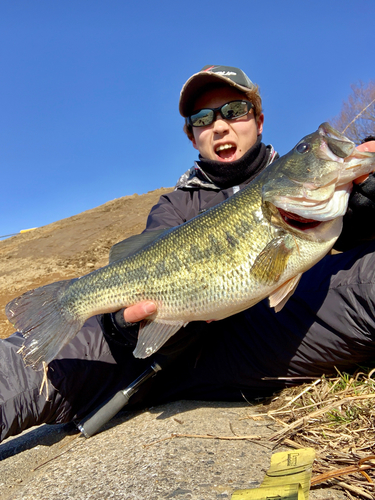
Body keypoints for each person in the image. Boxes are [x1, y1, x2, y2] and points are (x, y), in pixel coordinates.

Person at [1, 65, 375, 443]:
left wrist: (366, 214)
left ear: (258, 120)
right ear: (192, 135)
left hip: (274, 333)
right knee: (18, 368)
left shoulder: (311, 186)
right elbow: (136, 280)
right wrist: (123, 326)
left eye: (233, 110)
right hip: (177, 353)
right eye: (201, 118)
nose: (219, 126)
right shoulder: (173, 207)